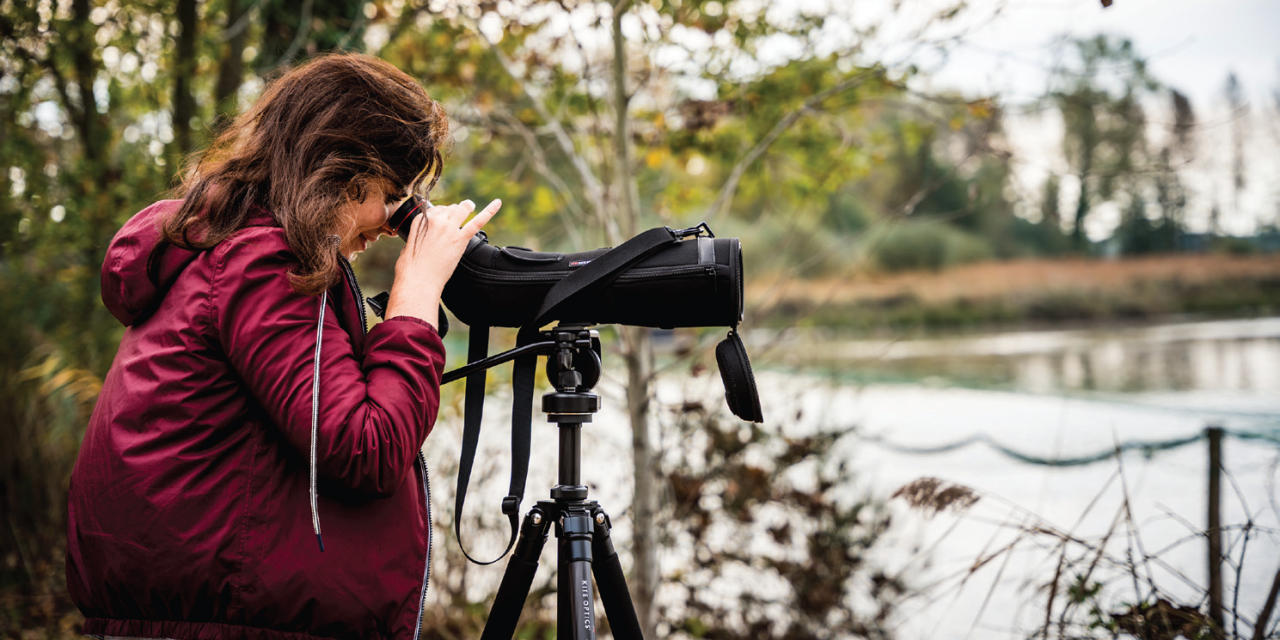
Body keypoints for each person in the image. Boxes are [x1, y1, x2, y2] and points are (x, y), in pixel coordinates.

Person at [66, 53, 498, 640]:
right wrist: (417, 290)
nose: (389, 221)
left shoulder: (226, 249)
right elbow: (364, 447)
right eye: (393, 193)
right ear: (343, 171)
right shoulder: (262, 262)